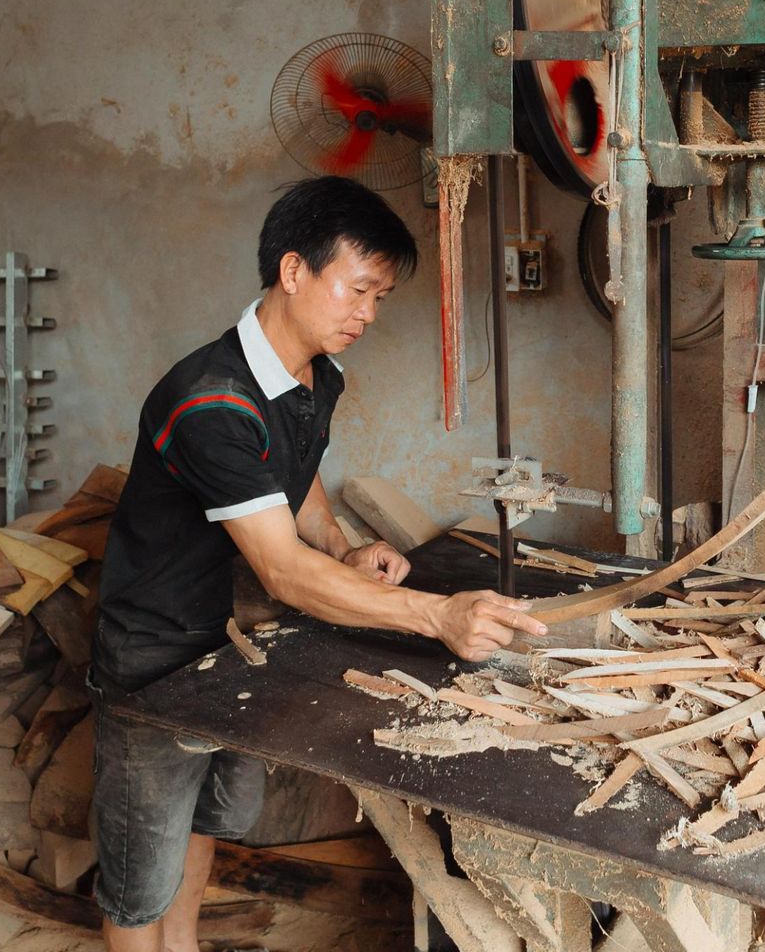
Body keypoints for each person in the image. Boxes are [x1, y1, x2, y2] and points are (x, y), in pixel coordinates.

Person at [88, 175, 547, 952]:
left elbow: (293, 485)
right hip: (153, 653)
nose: (367, 314)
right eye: (358, 289)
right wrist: (438, 615)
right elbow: (283, 573)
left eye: (380, 297)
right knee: (139, 878)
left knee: (203, 822)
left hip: (227, 642)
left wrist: (343, 546)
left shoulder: (314, 377)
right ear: (294, 270)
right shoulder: (211, 402)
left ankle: (185, 945)